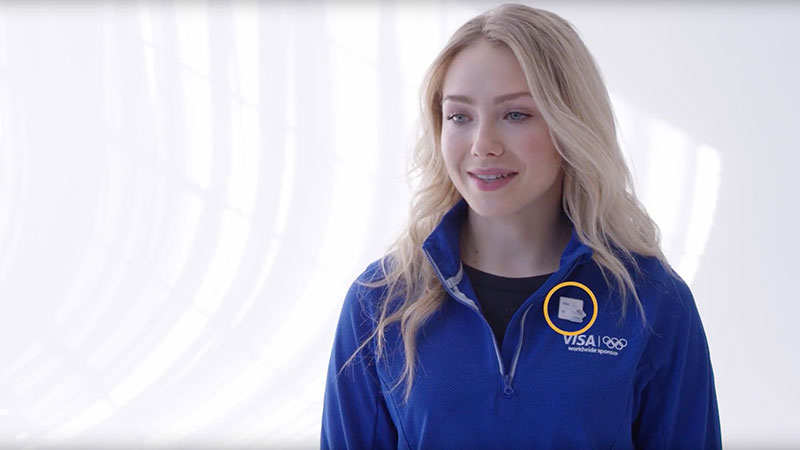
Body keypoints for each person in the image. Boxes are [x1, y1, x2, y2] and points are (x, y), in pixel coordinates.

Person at [321, 3, 721, 449]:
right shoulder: (380, 303)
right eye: (459, 116)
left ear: (569, 125)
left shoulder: (650, 301)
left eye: (516, 115)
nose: (482, 145)